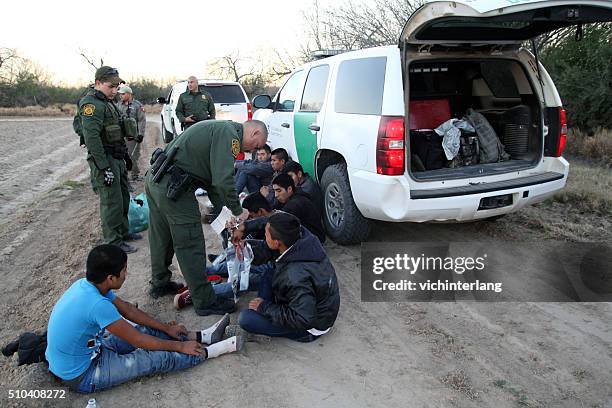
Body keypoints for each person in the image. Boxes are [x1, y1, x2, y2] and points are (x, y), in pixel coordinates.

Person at [45, 244, 242, 393]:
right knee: (153, 359)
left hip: (93, 351)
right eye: (123, 270)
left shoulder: (88, 284)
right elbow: (137, 341)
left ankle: (202, 337)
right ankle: (210, 351)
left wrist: (166, 328)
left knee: (149, 331)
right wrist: (179, 346)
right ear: (110, 278)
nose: (126, 273)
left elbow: (128, 311)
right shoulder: (97, 304)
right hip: (84, 374)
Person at [145, 120, 268, 316]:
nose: (255, 150)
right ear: (254, 133)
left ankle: (159, 283)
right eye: (258, 145)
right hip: (174, 189)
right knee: (190, 244)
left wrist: (226, 219)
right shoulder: (230, 135)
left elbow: (212, 185)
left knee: (162, 236)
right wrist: (238, 211)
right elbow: (223, 179)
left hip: (157, 181)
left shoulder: (220, 129)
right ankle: (204, 301)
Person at [230, 212, 340, 342]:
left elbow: (303, 318)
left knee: (246, 319)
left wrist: (265, 307)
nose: (264, 237)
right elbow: (271, 224)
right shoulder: (300, 234)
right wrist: (245, 232)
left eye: (266, 235)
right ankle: (267, 310)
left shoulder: (295, 275)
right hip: (307, 302)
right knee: (268, 273)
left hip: (309, 326)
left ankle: (266, 313)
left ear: (277, 243)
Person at [173, 192, 276, 309]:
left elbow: (260, 252)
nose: (250, 220)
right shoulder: (274, 221)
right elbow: (260, 236)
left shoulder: (278, 233)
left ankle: (199, 293)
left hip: (272, 270)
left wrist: (243, 246)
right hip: (269, 263)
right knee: (234, 263)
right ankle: (201, 274)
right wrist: (239, 230)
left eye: (251, 217)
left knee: (244, 280)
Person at [78, 66, 139, 254]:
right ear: (98, 83)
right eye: (110, 86)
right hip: (105, 158)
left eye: (117, 87)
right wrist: (104, 167)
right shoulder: (91, 105)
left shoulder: (107, 102)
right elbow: (92, 139)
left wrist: (125, 157)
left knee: (123, 196)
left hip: (117, 155)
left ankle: (123, 231)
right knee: (111, 201)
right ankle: (113, 241)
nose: (115, 91)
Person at [271, 173, 326, 243]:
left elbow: (278, 222)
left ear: (289, 189)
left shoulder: (295, 204)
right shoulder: (288, 197)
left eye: (279, 191)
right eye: (274, 191)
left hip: (314, 240)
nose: (276, 195)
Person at [116, 85, 146, 181]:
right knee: (121, 155)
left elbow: (141, 120)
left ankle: (135, 175)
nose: (121, 96)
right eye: (120, 94)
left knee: (133, 155)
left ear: (129, 94)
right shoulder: (118, 105)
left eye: (123, 94)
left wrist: (140, 134)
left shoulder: (137, 105)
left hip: (133, 135)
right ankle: (123, 176)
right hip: (121, 135)